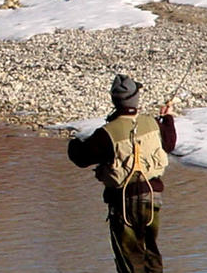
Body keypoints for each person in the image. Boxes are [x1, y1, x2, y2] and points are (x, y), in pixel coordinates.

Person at [68, 74, 178, 273]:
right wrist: (168, 118)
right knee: (151, 256)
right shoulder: (153, 124)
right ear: (136, 99)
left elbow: (80, 158)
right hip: (152, 199)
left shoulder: (106, 133)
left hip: (123, 203)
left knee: (129, 262)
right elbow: (169, 143)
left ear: (114, 99)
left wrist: (74, 141)